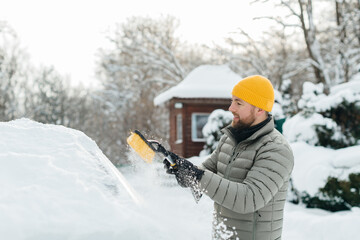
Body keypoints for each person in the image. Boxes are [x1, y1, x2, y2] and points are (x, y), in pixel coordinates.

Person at [164, 75, 294, 240]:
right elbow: (208, 170)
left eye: (238, 103)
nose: (231, 108)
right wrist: (184, 171)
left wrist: (198, 177)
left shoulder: (276, 148)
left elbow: (249, 198)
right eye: (232, 101)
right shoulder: (230, 139)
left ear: (260, 109)